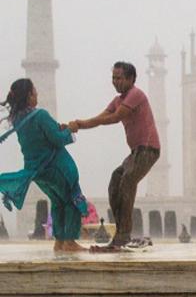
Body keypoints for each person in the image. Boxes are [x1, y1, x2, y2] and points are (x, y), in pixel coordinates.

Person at [73, 62, 160, 250]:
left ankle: (122, 237)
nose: (115, 82)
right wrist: (79, 125)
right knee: (116, 181)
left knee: (128, 181)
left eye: (119, 78)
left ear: (131, 79)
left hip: (149, 149)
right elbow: (100, 118)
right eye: (113, 78)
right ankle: (122, 233)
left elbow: (114, 118)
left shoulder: (136, 95)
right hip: (136, 151)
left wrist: (80, 123)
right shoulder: (117, 100)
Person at [0, 78, 88, 252]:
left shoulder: (19, 120)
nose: (37, 94)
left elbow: (40, 139)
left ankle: (60, 241)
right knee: (71, 200)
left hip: (38, 172)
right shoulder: (40, 115)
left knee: (57, 202)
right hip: (57, 168)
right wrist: (70, 129)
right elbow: (56, 139)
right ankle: (69, 241)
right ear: (29, 96)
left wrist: (58, 128)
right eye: (34, 92)